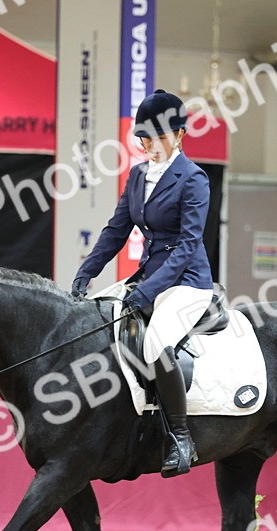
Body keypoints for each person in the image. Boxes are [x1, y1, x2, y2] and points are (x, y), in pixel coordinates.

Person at [71, 89, 213, 478]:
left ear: (180, 135)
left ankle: (180, 439)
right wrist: (86, 273)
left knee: (156, 341)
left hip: (187, 283)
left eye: (158, 137)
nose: (150, 145)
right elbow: (116, 231)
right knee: (99, 322)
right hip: (148, 278)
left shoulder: (193, 179)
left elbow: (187, 246)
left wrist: (149, 292)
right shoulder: (137, 177)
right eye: (144, 138)